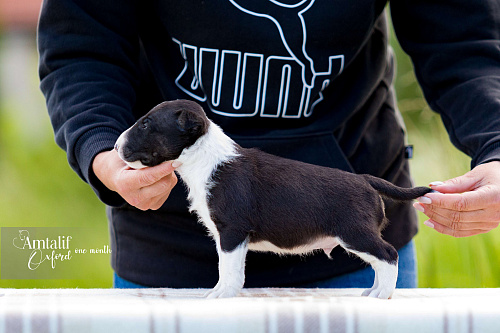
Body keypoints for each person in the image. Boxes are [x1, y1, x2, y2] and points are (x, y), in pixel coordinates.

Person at [38, 0, 500, 289]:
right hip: (171, 254)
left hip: (348, 247)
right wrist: (103, 153)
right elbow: (83, 45)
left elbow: (464, 42)